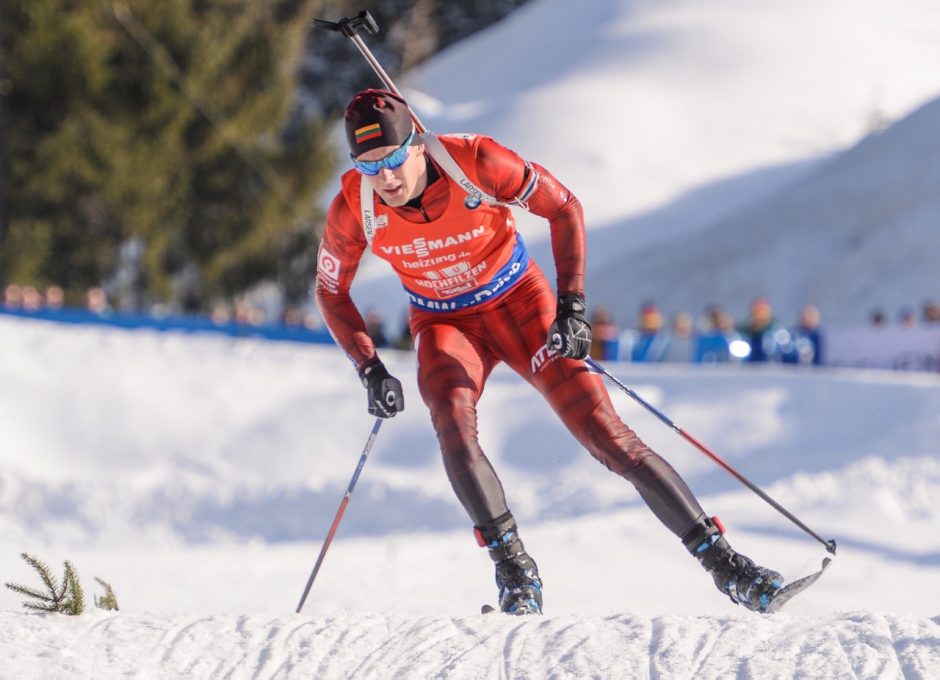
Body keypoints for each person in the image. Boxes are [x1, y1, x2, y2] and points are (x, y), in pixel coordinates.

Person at [315, 89, 782, 615]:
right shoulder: (353, 207)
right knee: (451, 424)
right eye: (369, 164)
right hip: (445, 321)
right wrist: (369, 367)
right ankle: (516, 576)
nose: (387, 178)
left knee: (606, 434)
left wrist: (573, 307)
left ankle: (727, 566)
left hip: (519, 303)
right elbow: (331, 290)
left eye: (395, 158)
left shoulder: (475, 160)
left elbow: (563, 207)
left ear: (419, 145)